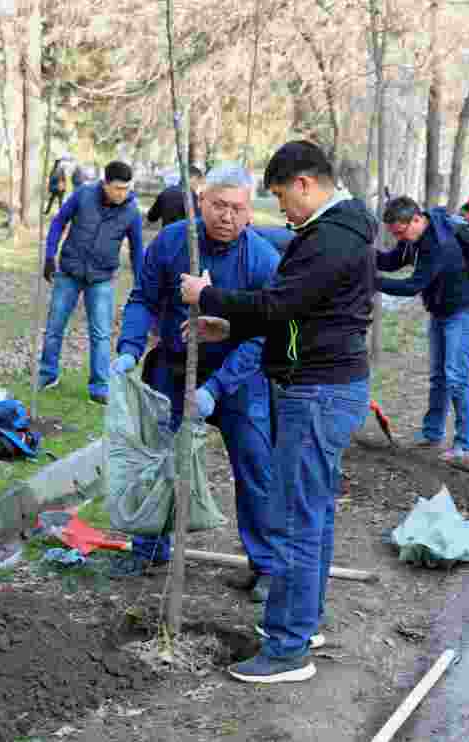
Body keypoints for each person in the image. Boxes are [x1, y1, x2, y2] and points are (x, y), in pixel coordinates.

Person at [180, 141, 376, 683]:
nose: (280, 209)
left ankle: (289, 648)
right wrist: (231, 327)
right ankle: (303, 622)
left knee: (294, 518)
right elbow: (297, 318)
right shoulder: (333, 232)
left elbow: (280, 304)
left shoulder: (329, 237)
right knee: (311, 513)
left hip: (316, 392)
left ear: (307, 184)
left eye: (282, 196)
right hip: (322, 384)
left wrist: (211, 297)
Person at [111, 166, 281, 602]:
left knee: (255, 465)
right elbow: (143, 298)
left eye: (237, 208)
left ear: (249, 212)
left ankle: (265, 565)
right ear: (200, 201)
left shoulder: (262, 260)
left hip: (239, 376)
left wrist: (216, 388)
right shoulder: (172, 243)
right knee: (160, 459)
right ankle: (150, 548)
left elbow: (263, 336)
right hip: (173, 365)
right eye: (218, 205)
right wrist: (129, 348)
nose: (227, 216)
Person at [377, 196, 469, 463]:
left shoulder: (438, 242)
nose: (400, 238)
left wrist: (372, 281)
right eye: (395, 234)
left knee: (456, 377)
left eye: (401, 232)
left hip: (462, 312)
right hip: (440, 311)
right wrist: (363, 255)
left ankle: (465, 445)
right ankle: (432, 434)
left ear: (416, 219)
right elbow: (391, 262)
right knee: (439, 376)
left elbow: (414, 285)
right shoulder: (414, 237)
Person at [38, 161, 144, 405]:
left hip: (102, 278)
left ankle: (99, 386)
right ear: (105, 184)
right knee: (55, 327)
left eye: (127, 188)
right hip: (69, 272)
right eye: (118, 188)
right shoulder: (84, 195)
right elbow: (58, 222)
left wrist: (141, 284)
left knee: (101, 334)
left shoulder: (131, 212)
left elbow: (137, 251)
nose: (122, 193)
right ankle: (47, 375)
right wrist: (49, 255)